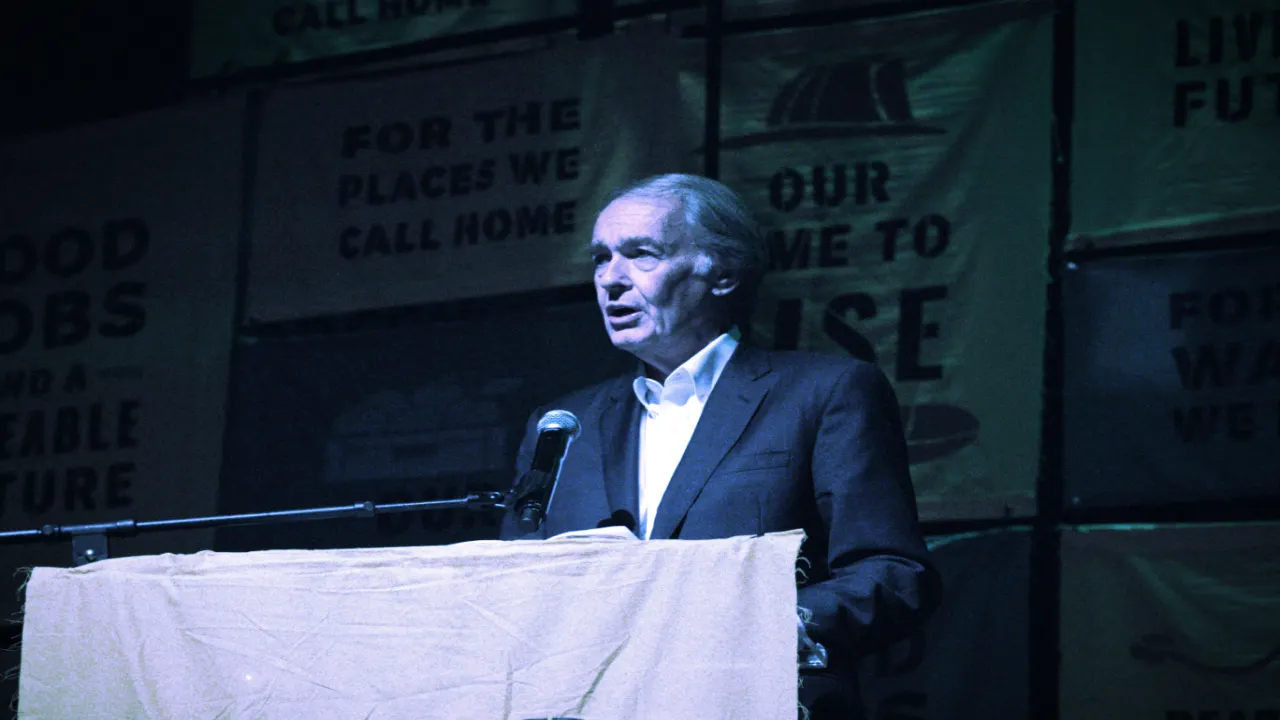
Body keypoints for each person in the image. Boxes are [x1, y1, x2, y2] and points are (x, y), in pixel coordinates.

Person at [500, 173, 941, 718]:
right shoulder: (564, 425)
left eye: (641, 254)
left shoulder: (824, 392)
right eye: (600, 258)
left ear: (724, 274)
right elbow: (512, 592)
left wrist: (773, 624)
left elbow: (893, 573)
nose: (610, 279)